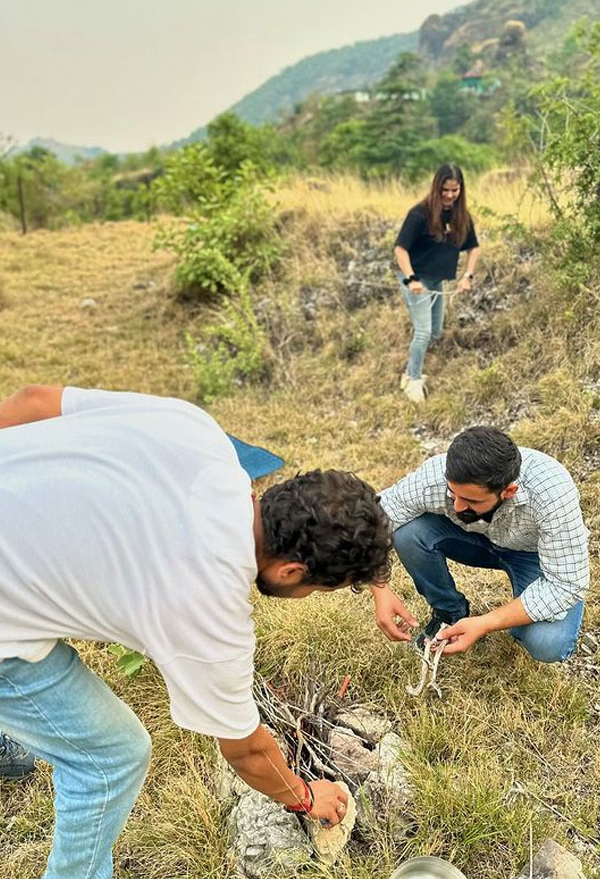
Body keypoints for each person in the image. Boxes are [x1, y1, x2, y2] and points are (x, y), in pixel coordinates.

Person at [0, 384, 396, 879]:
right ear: (293, 571)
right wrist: (304, 794)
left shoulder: (196, 431)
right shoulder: (207, 607)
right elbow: (246, 748)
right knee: (111, 757)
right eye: (317, 589)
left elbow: (36, 401)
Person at [372, 427, 589, 661]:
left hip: (532, 556)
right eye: (452, 494)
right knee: (407, 532)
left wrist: (485, 623)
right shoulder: (436, 475)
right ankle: (450, 613)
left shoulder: (552, 493)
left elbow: (565, 584)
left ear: (508, 492)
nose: (456, 506)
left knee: (548, 643)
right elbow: (376, 518)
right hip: (474, 541)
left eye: (470, 500)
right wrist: (380, 588)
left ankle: (507, 623)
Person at [395, 163, 480, 404]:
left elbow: (473, 248)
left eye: (455, 190)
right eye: (446, 190)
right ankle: (413, 380)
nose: (450, 195)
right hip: (416, 281)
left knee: (435, 332)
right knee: (423, 333)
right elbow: (400, 249)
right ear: (437, 187)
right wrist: (411, 279)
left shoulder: (460, 216)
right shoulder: (420, 214)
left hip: (436, 282)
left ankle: (409, 371)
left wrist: (467, 276)